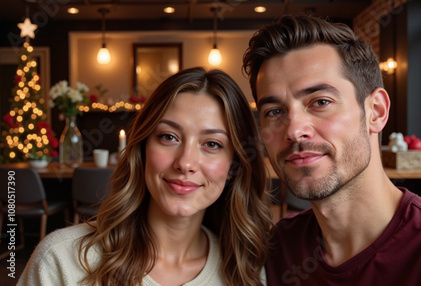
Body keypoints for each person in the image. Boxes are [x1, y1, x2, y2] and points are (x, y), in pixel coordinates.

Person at [242, 15, 421, 285]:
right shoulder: (276, 250)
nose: (294, 130)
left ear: (376, 111)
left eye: (320, 102)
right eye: (274, 111)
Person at [18, 67, 272, 286]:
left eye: (213, 144)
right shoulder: (61, 260)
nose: (185, 163)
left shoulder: (247, 271)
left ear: (233, 166)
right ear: (142, 150)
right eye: (169, 137)